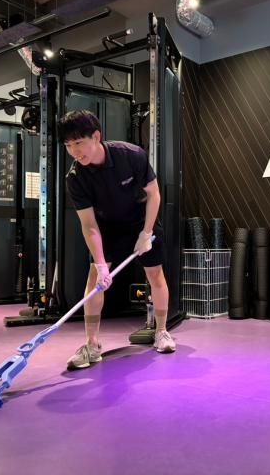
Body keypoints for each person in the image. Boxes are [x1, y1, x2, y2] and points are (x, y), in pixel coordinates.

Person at [58, 110, 176, 370]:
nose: (74, 151)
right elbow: (89, 225)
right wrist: (101, 264)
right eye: (68, 145)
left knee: (155, 274)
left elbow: (154, 194)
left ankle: (161, 331)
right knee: (94, 280)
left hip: (141, 220)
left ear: (96, 136)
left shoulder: (130, 155)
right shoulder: (75, 178)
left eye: (78, 142)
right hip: (107, 227)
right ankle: (92, 344)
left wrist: (146, 233)